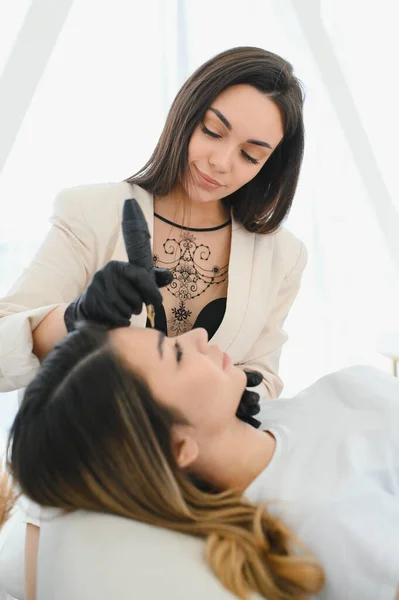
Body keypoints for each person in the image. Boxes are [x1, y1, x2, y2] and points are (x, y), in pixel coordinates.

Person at [0, 45, 307, 597]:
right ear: (185, 115)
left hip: (199, 506)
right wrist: (76, 321)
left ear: (271, 166)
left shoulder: (280, 255)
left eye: (251, 154)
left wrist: (246, 390)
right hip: (79, 496)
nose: (221, 162)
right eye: (213, 132)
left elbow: (266, 371)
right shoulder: (91, 212)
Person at [8, 323, 399, 600]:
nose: (198, 335)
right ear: (179, 447)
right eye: (175, 354)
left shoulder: (271, 422)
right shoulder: (328, 518)